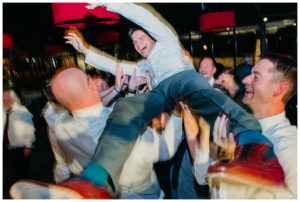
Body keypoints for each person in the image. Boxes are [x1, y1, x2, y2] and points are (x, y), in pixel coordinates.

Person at [12, 3, 283, 198]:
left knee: (205, 96)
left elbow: (146, 15)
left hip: (180, 79)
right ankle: (94, 181)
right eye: (136, 43)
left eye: (142, 38)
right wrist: (86, 52)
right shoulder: (145, 66)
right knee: (125, 110)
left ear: (152, 36)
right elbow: (114, 65)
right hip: (162, 93)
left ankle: (257, 149)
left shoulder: (167, 43)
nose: (140, 44)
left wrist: (112, 5)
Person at [10, 67, 184, 199]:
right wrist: (177, 113)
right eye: (89, 79)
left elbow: (93, 110)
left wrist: (131, 94)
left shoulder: (60, 125)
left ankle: (77, 187)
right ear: (91, 85)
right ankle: (78, 189)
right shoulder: (123, 128)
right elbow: (166, 148)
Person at [205, 54, 297, 198]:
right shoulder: (235, 128)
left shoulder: (289, 148)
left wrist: (226, 164)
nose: (244, 80)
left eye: (256, 76)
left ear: (279, 89)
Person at [3, 83, 36, 198]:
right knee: (14, 172)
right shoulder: (3, 112)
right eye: (2, 97)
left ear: (12, 98)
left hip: (21, 148)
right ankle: (19, 192)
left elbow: (30, 129)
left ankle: (28, 194)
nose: (3, 99)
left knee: (24, 173)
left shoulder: (21, 111)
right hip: (8, 148)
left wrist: (28, 146)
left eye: (6, 97)